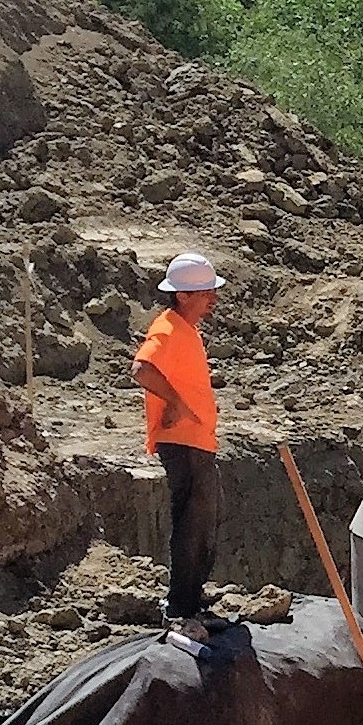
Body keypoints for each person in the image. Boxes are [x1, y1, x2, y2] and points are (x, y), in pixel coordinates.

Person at [133, 253, 225, 631]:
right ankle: (181, 606)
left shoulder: (184, 330)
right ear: (183, 296)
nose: (212, 300)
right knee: (193, 522)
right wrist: (174, 403)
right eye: (205, 293)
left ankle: (190, 598)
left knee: (204, 519)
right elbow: (141, 368)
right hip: (183, 441)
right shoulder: (168, 328)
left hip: (196, 439)